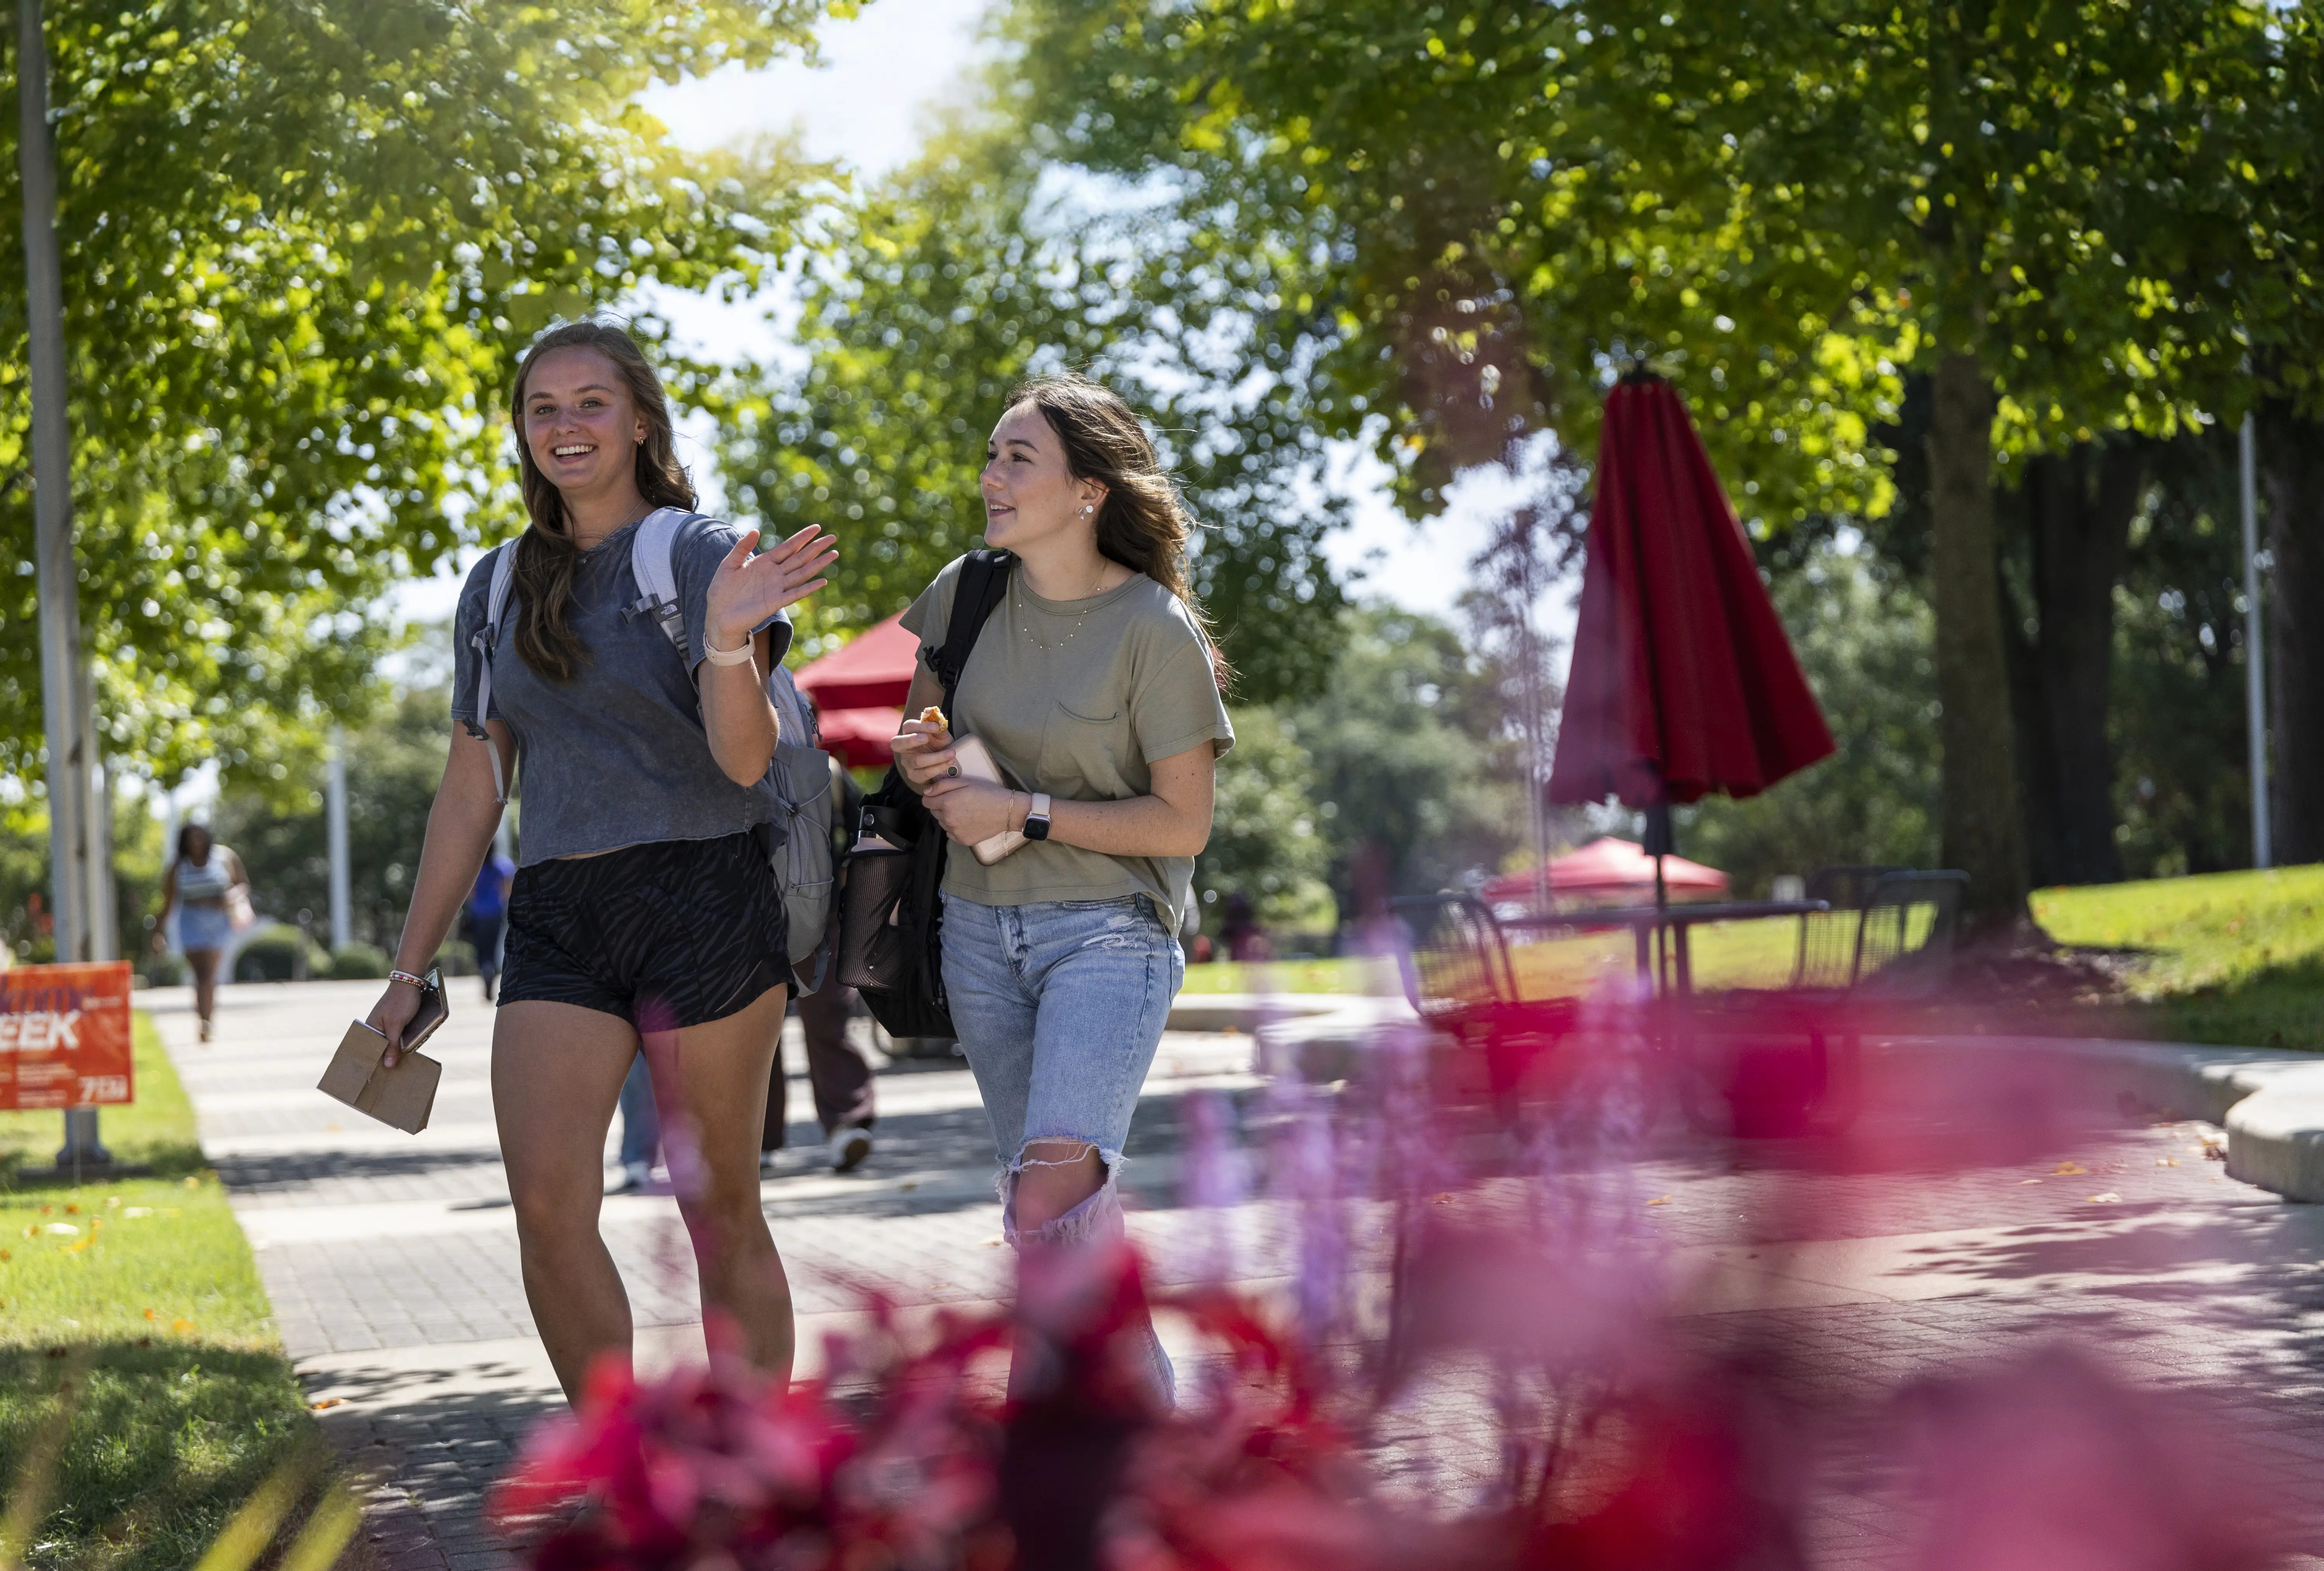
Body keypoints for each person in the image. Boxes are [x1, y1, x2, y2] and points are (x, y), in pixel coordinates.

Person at [362, 318, 838, 1402]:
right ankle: (631, 1480)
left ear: (638, 420)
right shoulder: (496, 588)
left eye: (589, 403)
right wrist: (407, 969)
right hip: (561, 908)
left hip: (706, 891)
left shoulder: (705, 553)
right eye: (543, 407)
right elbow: (473, 784)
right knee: (545, 1204)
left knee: (717, 1207)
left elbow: (743, 752)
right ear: (521, 430)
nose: (565, 425)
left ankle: (757, 1483)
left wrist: (727, 641)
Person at [891, 372, 1232, 1404]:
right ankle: (1148, 1439)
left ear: (1088, 490)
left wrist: (1025, 811)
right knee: (1062, 1206)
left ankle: (1047, 1444)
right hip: (975, 928)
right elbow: (922, 729)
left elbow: (1184, 822)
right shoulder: (967, 591)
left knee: (1051, 1187)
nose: (989, 475)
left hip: (1109, 936)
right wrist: (928, 761)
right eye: (992, 453)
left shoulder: (1154, 627)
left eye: (1016, 457)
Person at [761, 755, 876, 1176]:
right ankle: (757, 1140)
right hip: (753, 910)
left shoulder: (829, 770)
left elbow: (866, 824)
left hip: (822, 911)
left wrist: (852, 880)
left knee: (829, 1016)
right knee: (754, 1029)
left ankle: (847, 1125)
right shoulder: (734, 753)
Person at [153, 824, 251, 1043]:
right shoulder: (178, 867)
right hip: (190, 922)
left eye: (200, 837)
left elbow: (243, 884)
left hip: (218, 922)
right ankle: (204, 1018)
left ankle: (207, 1020)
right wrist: (158, 933)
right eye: (191, 838)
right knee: (201, 974)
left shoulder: (224, 857)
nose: (196, 842)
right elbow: (168, 903)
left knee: (209, 974)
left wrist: (230, 899)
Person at [465, 844, 516, 1001]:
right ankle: (490, 972)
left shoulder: (475, 865)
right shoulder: (503, 865)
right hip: (495, 913)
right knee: (493, 948)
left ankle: (485, 970)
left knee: (481, 949)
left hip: (478, 914)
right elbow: (509, 889)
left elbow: (470, 891)